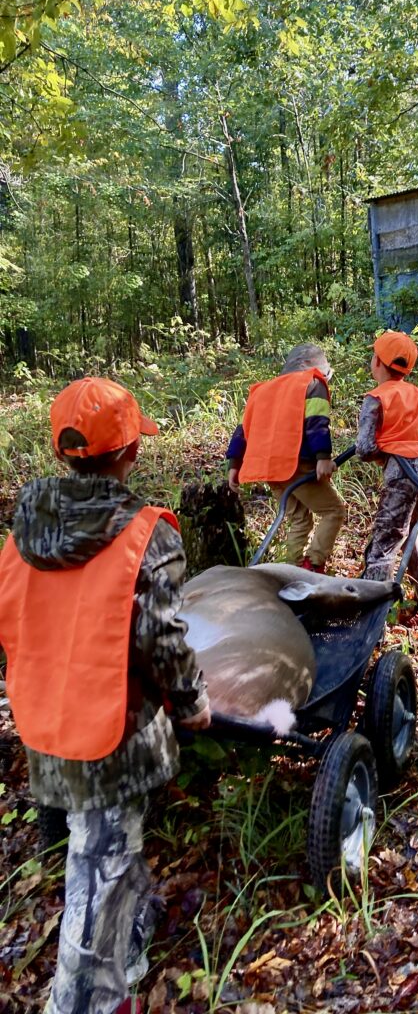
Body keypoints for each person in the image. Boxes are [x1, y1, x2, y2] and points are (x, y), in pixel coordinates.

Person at [0, 376, 211, 1014]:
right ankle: (87, 998)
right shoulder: (146, 536)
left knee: (103, 848)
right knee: (98, 874)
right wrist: (192, 703)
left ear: (63, 452)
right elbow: (162, 641)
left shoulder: (19, 535)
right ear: (130, 453)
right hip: (113, 732)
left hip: (44, 716)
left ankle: (131, 944)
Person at [227, 344, 345, 574]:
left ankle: (292, 570)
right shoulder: (312, 383)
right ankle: (314, 565)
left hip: (268, 468)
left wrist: (234, 464)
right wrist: (323, 457)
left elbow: (242, 430)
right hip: (295, 464)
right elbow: (317, 421)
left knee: (300, 519)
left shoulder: (263, 390)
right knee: (333, 511)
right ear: (320, 369)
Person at [356, 331, 418, 610]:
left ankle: (373, 613)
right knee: (411, 528)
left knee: (384, 543)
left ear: (378, 363)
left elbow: (364, 448)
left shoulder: (376, 397)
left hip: (405, 472)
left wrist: (379, 450)